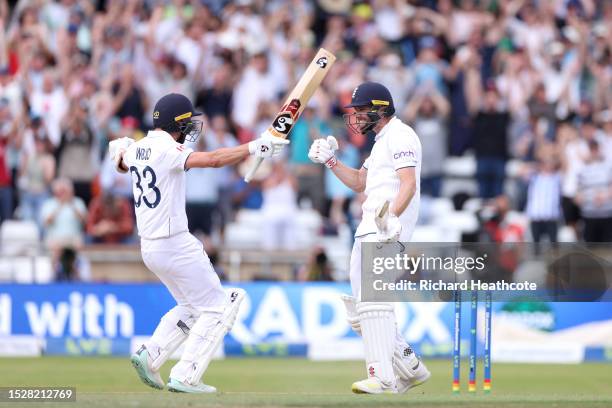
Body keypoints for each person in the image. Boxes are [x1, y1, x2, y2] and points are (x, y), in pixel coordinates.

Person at [110, 93, 288, 393]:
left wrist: (122, 145)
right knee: (221, 306)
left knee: (191, 306)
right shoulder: (168, 149)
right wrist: (253, 147)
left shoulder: (138, 148)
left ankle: (151, 354)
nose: (191, 128)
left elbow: (120, 161)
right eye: (187, 123)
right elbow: (214, 160)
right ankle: (186, 375)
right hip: (174, 242)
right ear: (175, 124)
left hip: (150, 247)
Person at [308, 82, 430, 394]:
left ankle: (383, 377)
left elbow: (408, 184)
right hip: (369, 226)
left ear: (381, 108)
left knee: (373, 304)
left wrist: (392, 218)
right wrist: (331, 162)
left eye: (362, 111)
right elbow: (360, 182)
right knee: (362, 309)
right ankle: (409, 366)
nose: (357, 117)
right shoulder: (381, 142)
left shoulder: (401, 135)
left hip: (385, 229)